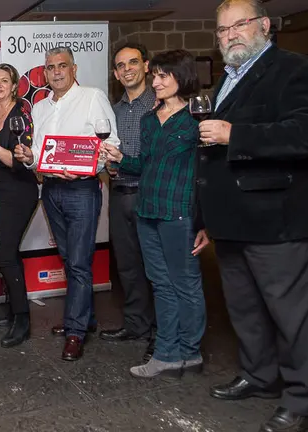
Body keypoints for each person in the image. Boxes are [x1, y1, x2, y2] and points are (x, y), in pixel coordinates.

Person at [198, 1, 308, 430]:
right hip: (232, 220)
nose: (230, 35)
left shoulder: (297, 70)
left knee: (295, 316)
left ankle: (303, 400)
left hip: (279, 220)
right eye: (222, 30)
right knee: (246, 309)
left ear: (265, 25)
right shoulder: (228, 79)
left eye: (239, 24)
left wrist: (235, 134)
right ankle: (260, 376)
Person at [102, 49, 210, 379]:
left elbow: (207, 173)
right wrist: (120, 158)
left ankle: (190, 352)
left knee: (186, 284)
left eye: (163, 76)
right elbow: (144, 165)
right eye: (156, 76)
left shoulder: (196, 120)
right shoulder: (149, 119)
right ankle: (166, 354)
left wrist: (205, 222)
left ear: (182, 77)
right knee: (161, 284)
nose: (156, 82)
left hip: (179, 214)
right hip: (147, 210)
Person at [14, 47, 120, 361]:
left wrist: (85, 167)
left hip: (82, 189)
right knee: (68, 257)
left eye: (62, 66)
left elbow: (110, 143)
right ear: (44, 73)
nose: (56, 71)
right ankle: (84, 317)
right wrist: (29, 158)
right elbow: (38, 153)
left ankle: (75, 331)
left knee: (78, 262)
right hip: (51, 190)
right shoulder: (40, 107)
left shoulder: (92, 97)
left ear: (74, 69)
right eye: (50, 67)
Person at [101, 42, 157, 362]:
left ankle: (161, 333)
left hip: (149, 195)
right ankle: (136, 324)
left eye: (133, 62)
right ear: (115, 73)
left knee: (155, 268)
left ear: (146, 66)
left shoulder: (159, 104)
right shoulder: (113, 110)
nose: (127, 69)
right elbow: (111, 153)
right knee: (128, 266)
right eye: (121, 66)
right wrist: (109, 165)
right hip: (120, 192)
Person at [0, 63, 38, 348]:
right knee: (7, 253)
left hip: (18, 191)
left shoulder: (20, 115)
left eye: (5, 80)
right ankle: (15, 310)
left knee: (5, 254)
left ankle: (23, 319)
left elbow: (18, 162)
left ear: (14, 85)